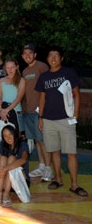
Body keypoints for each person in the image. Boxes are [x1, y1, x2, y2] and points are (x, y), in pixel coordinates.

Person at [35, 46, 88, 197]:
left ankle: (74, 184)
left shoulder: (68, 73)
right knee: (54, 152)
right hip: (48, 120)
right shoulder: (44, 77)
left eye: (56, 55)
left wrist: (75, 115)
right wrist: (40, 117)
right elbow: (42, 98)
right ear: (47, 59)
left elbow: (76, 94)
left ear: (61, 58)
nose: (53, 58)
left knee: (71, 153)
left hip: (66, 120)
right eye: (50, 55)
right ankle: (58, 180)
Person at [21, 44, 53, 182]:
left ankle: (48, 168)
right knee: (36, 140)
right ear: (22, 56)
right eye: (25, 54)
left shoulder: (42, 67)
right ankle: (41, 165)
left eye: (30, 53)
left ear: (35, 54)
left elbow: (48, 87)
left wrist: (43, 109)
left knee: (43, 141)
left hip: (39, 111)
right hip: (28, 111)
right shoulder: (25, 71)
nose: (27, 56)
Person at [0, 125, 30, 208]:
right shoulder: (2, 144)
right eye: (5, 136)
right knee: (2, 158)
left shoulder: (22, 144)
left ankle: (6, 194)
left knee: (12, 158)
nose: (8, 138)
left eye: (10, 134)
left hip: (18, 181)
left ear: (14, 134)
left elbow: (23, 159)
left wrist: (5, 169)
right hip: (3, 181)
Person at [0, 58, 25, 134]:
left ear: (17, 67)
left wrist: (7, 110)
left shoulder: (21, 80)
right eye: (8, 68)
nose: (10, 70)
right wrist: (1, 110)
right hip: (3, 113)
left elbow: (18, 98)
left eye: (12, 67)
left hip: (16, 112)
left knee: (17, 137)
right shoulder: (1, 81)